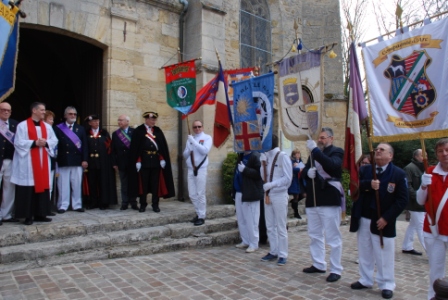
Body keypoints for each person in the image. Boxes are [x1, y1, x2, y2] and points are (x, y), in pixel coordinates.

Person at [350, 142, 408, 299]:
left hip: (383, 220)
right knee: (364, 250)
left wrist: (386, 218)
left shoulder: (398, 173)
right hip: (363, 217)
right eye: (377, 149)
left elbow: (402, 200)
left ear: (390, 155)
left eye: (382, 150)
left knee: (384, 254)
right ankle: (365, 279)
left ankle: (387, 283)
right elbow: (354, 186)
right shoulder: (365, 170)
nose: (377, 151)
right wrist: (369, 184)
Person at [302, 127, 344, 283]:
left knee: (333, 236)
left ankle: (336, 269)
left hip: (329, 197)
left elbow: (333, 165)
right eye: (319, 138)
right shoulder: (314, 154)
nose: (320, 140)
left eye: (323, 138)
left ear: (331, 139)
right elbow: (306, 169)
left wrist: (315, 151)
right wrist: (307, 173)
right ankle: (318, 263)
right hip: (313, 198)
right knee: (314, 234)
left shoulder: (337, 151)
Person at [11, 102, 58, 225]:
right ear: (34, 110)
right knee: (28, 189)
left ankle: (41, 214)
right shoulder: (22, 126)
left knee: (42, 187)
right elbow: (18, 142)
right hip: (28, 163)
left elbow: (54, 140)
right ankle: (27, 216)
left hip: (43, 162)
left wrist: (46, 142)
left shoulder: (47, 127)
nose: (44, 112)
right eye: (42, 110)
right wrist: (34, 143)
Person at [416, 138, 448, 300]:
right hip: (434, 230)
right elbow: (420, 200)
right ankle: (433, 298)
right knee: (435, 272)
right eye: (441, 151)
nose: (444, 154)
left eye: (447, 150)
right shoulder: (429, 172)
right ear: (436, 154)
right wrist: (423, 185)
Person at [128, 111, 175, 213]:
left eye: (155, 119)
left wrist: (162, 158)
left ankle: (155, 204)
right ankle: (143, 204)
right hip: (143, 162)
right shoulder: (139, 130)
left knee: (155, 185)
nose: (154, 121)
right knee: (143, 184)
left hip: (155, 162)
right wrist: (138, 161)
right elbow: (136, 148)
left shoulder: (157, 131)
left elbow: (162, 147)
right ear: (146, 119)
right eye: (152, 119)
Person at [259, 134, 292, 266]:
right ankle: (273, 250)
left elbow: (288, 178)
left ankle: (283, 253)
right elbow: (263, 176)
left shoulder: (283, 156)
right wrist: (263, 164)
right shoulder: (267, 156)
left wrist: (272, 185)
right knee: (270, 225)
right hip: (268, 194)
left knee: (280, 226)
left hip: (279, 194)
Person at [53, 106, 89, 213]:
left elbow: (85, 146)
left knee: (76, 183)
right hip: (63, 160)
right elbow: (55, 145)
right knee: (63, 184)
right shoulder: (58, 128)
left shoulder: (80, 128)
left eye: (74, 114)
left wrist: (85, 159)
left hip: (77, 160)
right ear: (65, 116)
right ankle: (63, 205)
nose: (73, 116)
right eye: (70, 114)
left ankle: (77, 205)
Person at [84, 114, 117, 209]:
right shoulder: (86, 133)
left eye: (97, 121)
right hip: (91, 162)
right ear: (90, 123)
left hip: (103, 162)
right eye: (94, 121)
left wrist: (112, 162)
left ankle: (103, 202)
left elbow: (110, 149)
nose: (96, 123)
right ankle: (93, 202)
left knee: (103, 182)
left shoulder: (104, 133)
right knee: (92, 183)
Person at [182, 120, 212, 226]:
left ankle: (202, 216)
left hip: (201, 169)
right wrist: (188, 149)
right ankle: (198, 213)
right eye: (195, 127)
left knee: (200, 194)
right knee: (192, 194)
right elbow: (185, 155)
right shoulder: (191, 139)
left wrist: (194, 143)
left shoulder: (207, 138)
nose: (197, 129)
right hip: (191, 169)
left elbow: (204, 150)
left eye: (199, 126)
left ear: (202, 127)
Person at [233, 151, 263, 252]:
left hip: (250, 192)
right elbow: (236, 174)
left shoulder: (255, 156)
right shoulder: (241, 156)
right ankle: (245, 240)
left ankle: (254, 243)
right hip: (239, 191)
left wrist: (245, 169)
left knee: (252, 220)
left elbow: (259, 174)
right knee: (241, 219)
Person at [402, 149, 426, 255]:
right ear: (416, 156)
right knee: (421, 226)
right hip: (414, 203)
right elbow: (407, 186)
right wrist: (418, 197)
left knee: (413, 225)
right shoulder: (409, 168)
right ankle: (431, 252)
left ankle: (407, 246)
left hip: (422, 203)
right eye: (423, 155)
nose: (425, 156)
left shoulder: (425, 168)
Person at [112, 114, 138, 210]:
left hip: (132, 162)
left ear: (127, 121)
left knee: (133, 182)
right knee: (124, 183)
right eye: (118, 120)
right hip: (121, 162)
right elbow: (113, 150)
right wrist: (114, 163)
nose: (119, 122)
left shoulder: (134, 132)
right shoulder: (115, 134)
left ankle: (133, 202)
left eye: (121, 120)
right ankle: (124, 202)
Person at [0, 102, 19, 224]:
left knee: (9, 188)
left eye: (8, 110)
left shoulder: (15, 124)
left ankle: (6, 214)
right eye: (3, 110)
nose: (6, 112)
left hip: (11, 160)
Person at [44, 110, 57, 216]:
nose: (52, 121)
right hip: (41, 162)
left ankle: (47, 207)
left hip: (51, 161)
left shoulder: (52, 131)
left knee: (50, 186)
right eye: (50, 119)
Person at [288, 149, 305, 219]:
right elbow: (291, 169)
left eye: (299, 154)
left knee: (304, 194)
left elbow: (304, 168)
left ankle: (293, 202)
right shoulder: (291, 161)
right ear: (294, 155)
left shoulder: (300, 161)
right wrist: (298, 168)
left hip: (300, 180)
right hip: (294, 180)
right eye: (296, 154)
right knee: (296, 195)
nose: (298, 155)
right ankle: (296, 212)